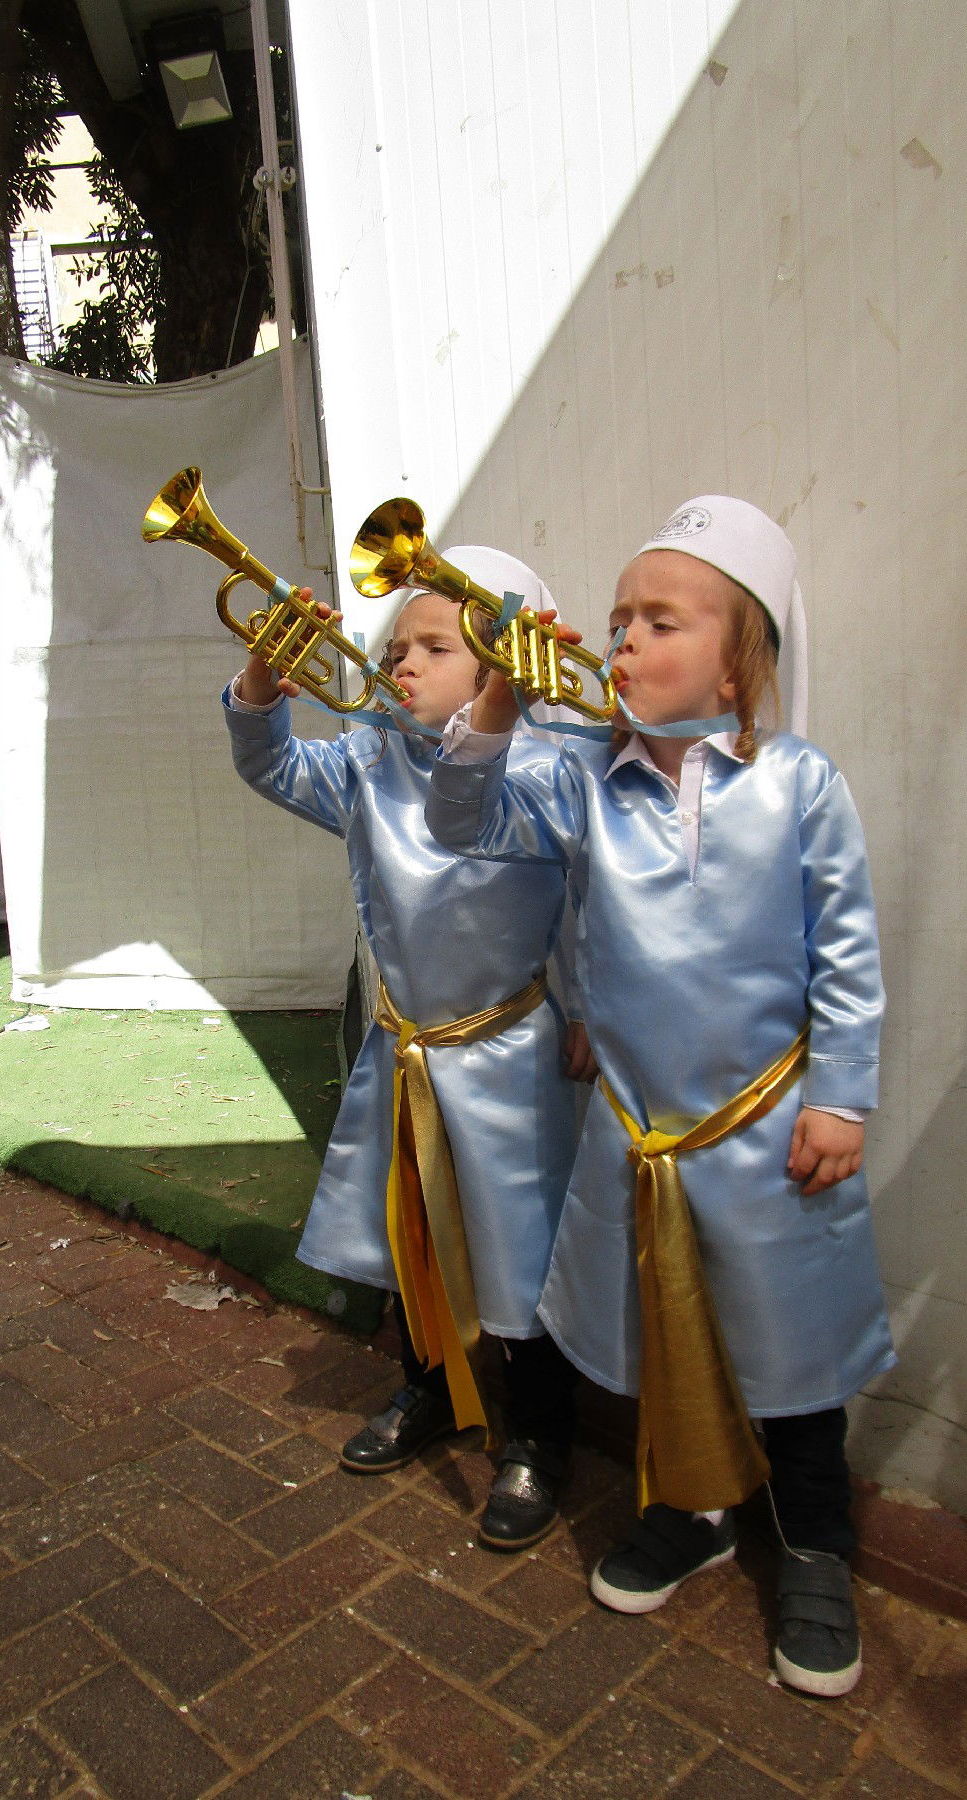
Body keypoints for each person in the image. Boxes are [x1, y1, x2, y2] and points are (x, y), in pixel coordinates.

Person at [425, 496, 895, 1695]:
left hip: (765, 1129)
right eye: (620, 616)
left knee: (789, 1358)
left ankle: (816, 1545)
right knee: (660, 1336)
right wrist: (499, 702)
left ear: (741, 665)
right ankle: (692, 1510)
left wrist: (840, 1098)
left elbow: (845, 953)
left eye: (661, 621)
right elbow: (458, 817)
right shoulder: (583, 779)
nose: (624, 640)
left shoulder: (800, 786)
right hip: (635, 1135)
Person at [223, 547, 587, 1550]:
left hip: (509, 1055)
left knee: (524, 1248)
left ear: (499, 671)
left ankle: (539, 1437)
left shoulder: (548, 768)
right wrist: (262, 683)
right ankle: (428, 1385)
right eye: (397, 646)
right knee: (414, 1230)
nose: (403, 664)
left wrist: (587, 1009)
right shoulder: (367, 761)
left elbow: (587, 908)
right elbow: (268, 762)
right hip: (406, 1048)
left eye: (436, 646)